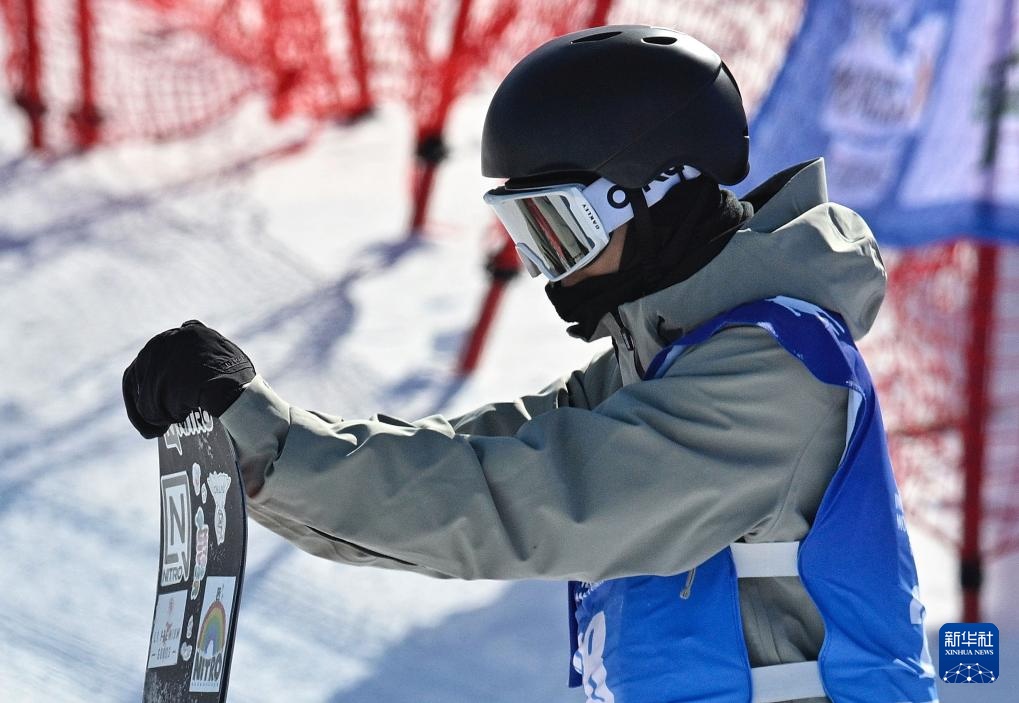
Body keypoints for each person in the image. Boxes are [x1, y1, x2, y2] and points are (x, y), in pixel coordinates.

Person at [123, 25, 938, 703]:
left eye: (559, 229)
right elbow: (473, 455)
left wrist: (271, 446)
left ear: (649, 193)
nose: (549, 271)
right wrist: (269, 441)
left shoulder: (770, 374)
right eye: (526, 235)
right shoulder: (659, 365)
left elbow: (513, 501)